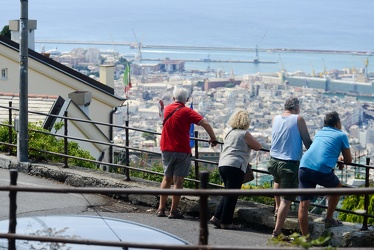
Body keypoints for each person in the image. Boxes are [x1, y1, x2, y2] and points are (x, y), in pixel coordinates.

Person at [157, 87, 218, 219]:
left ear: (173, 98)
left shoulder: (167, 109)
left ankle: (161, 209)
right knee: (178, 181)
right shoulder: (187, 111)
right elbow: (205, 123)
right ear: (187, 100)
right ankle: (173, 211)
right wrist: (213, 138)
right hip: (182, 149)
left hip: (166, 147)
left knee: (167, 178)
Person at [298, 111, 352, 236]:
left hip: (304, 166)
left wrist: (337, 158)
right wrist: (341, 159)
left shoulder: (319, 133)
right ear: (338, 123)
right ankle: (328, 218)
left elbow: (323, 149)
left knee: (303, 205)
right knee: (337, 187)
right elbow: (349, 160)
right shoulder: (341, 135)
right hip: (321, 169)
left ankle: (305, 238)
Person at [267, 97, 312, 238]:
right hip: (289, 163)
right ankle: (276, 232)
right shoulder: (298, 119)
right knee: (287, 199)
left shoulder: (276, 118)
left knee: (277, 181)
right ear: (296, 107)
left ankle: (277, 208)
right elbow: (307, 142)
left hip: (273, 161)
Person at [210, 110, 262, 229]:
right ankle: (226, 222)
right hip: (236, 165)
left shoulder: (229, 132)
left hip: (223, 164)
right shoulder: (244, 133)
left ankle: (217, 217)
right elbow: (258, 147)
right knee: (232, 194)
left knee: (228, 192)